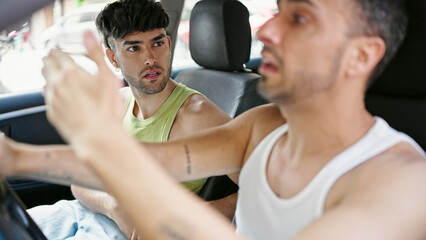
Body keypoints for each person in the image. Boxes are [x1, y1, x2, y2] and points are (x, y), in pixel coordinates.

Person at [2, 0, 426, 239]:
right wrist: (18, 159)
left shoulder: (403, 183)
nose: (266, 32)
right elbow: (153, 163)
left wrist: (100, 141)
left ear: (361, 56)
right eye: (277, 11)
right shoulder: (260, 127)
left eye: (300, 18)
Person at [6, 0, 234, 239]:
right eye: (134, 48)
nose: (150, 59)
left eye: (157, 43)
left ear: (168, 44)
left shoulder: (199, 115)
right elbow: (79, 181)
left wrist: (175, 220)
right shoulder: (117, 102)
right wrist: (114, 208)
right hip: (84, 211)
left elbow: (263, 189)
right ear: (112, 58)